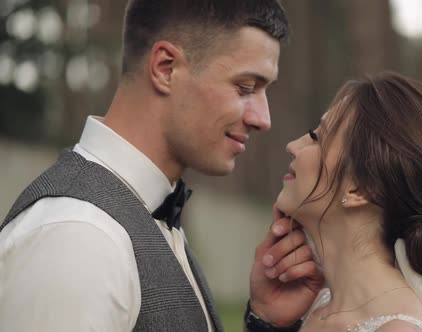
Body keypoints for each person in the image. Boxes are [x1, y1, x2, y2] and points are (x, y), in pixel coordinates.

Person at [0, 1, 322, 331]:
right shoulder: (77, 237)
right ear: (165, 68)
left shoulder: (144, 216)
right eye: (245, 88)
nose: (262, 119)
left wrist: (263, 321)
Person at [270, 71, 422, 332]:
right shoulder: (316, 307)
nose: (292, 145)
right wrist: (263, 319)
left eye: (317, 139)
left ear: (362, 188)